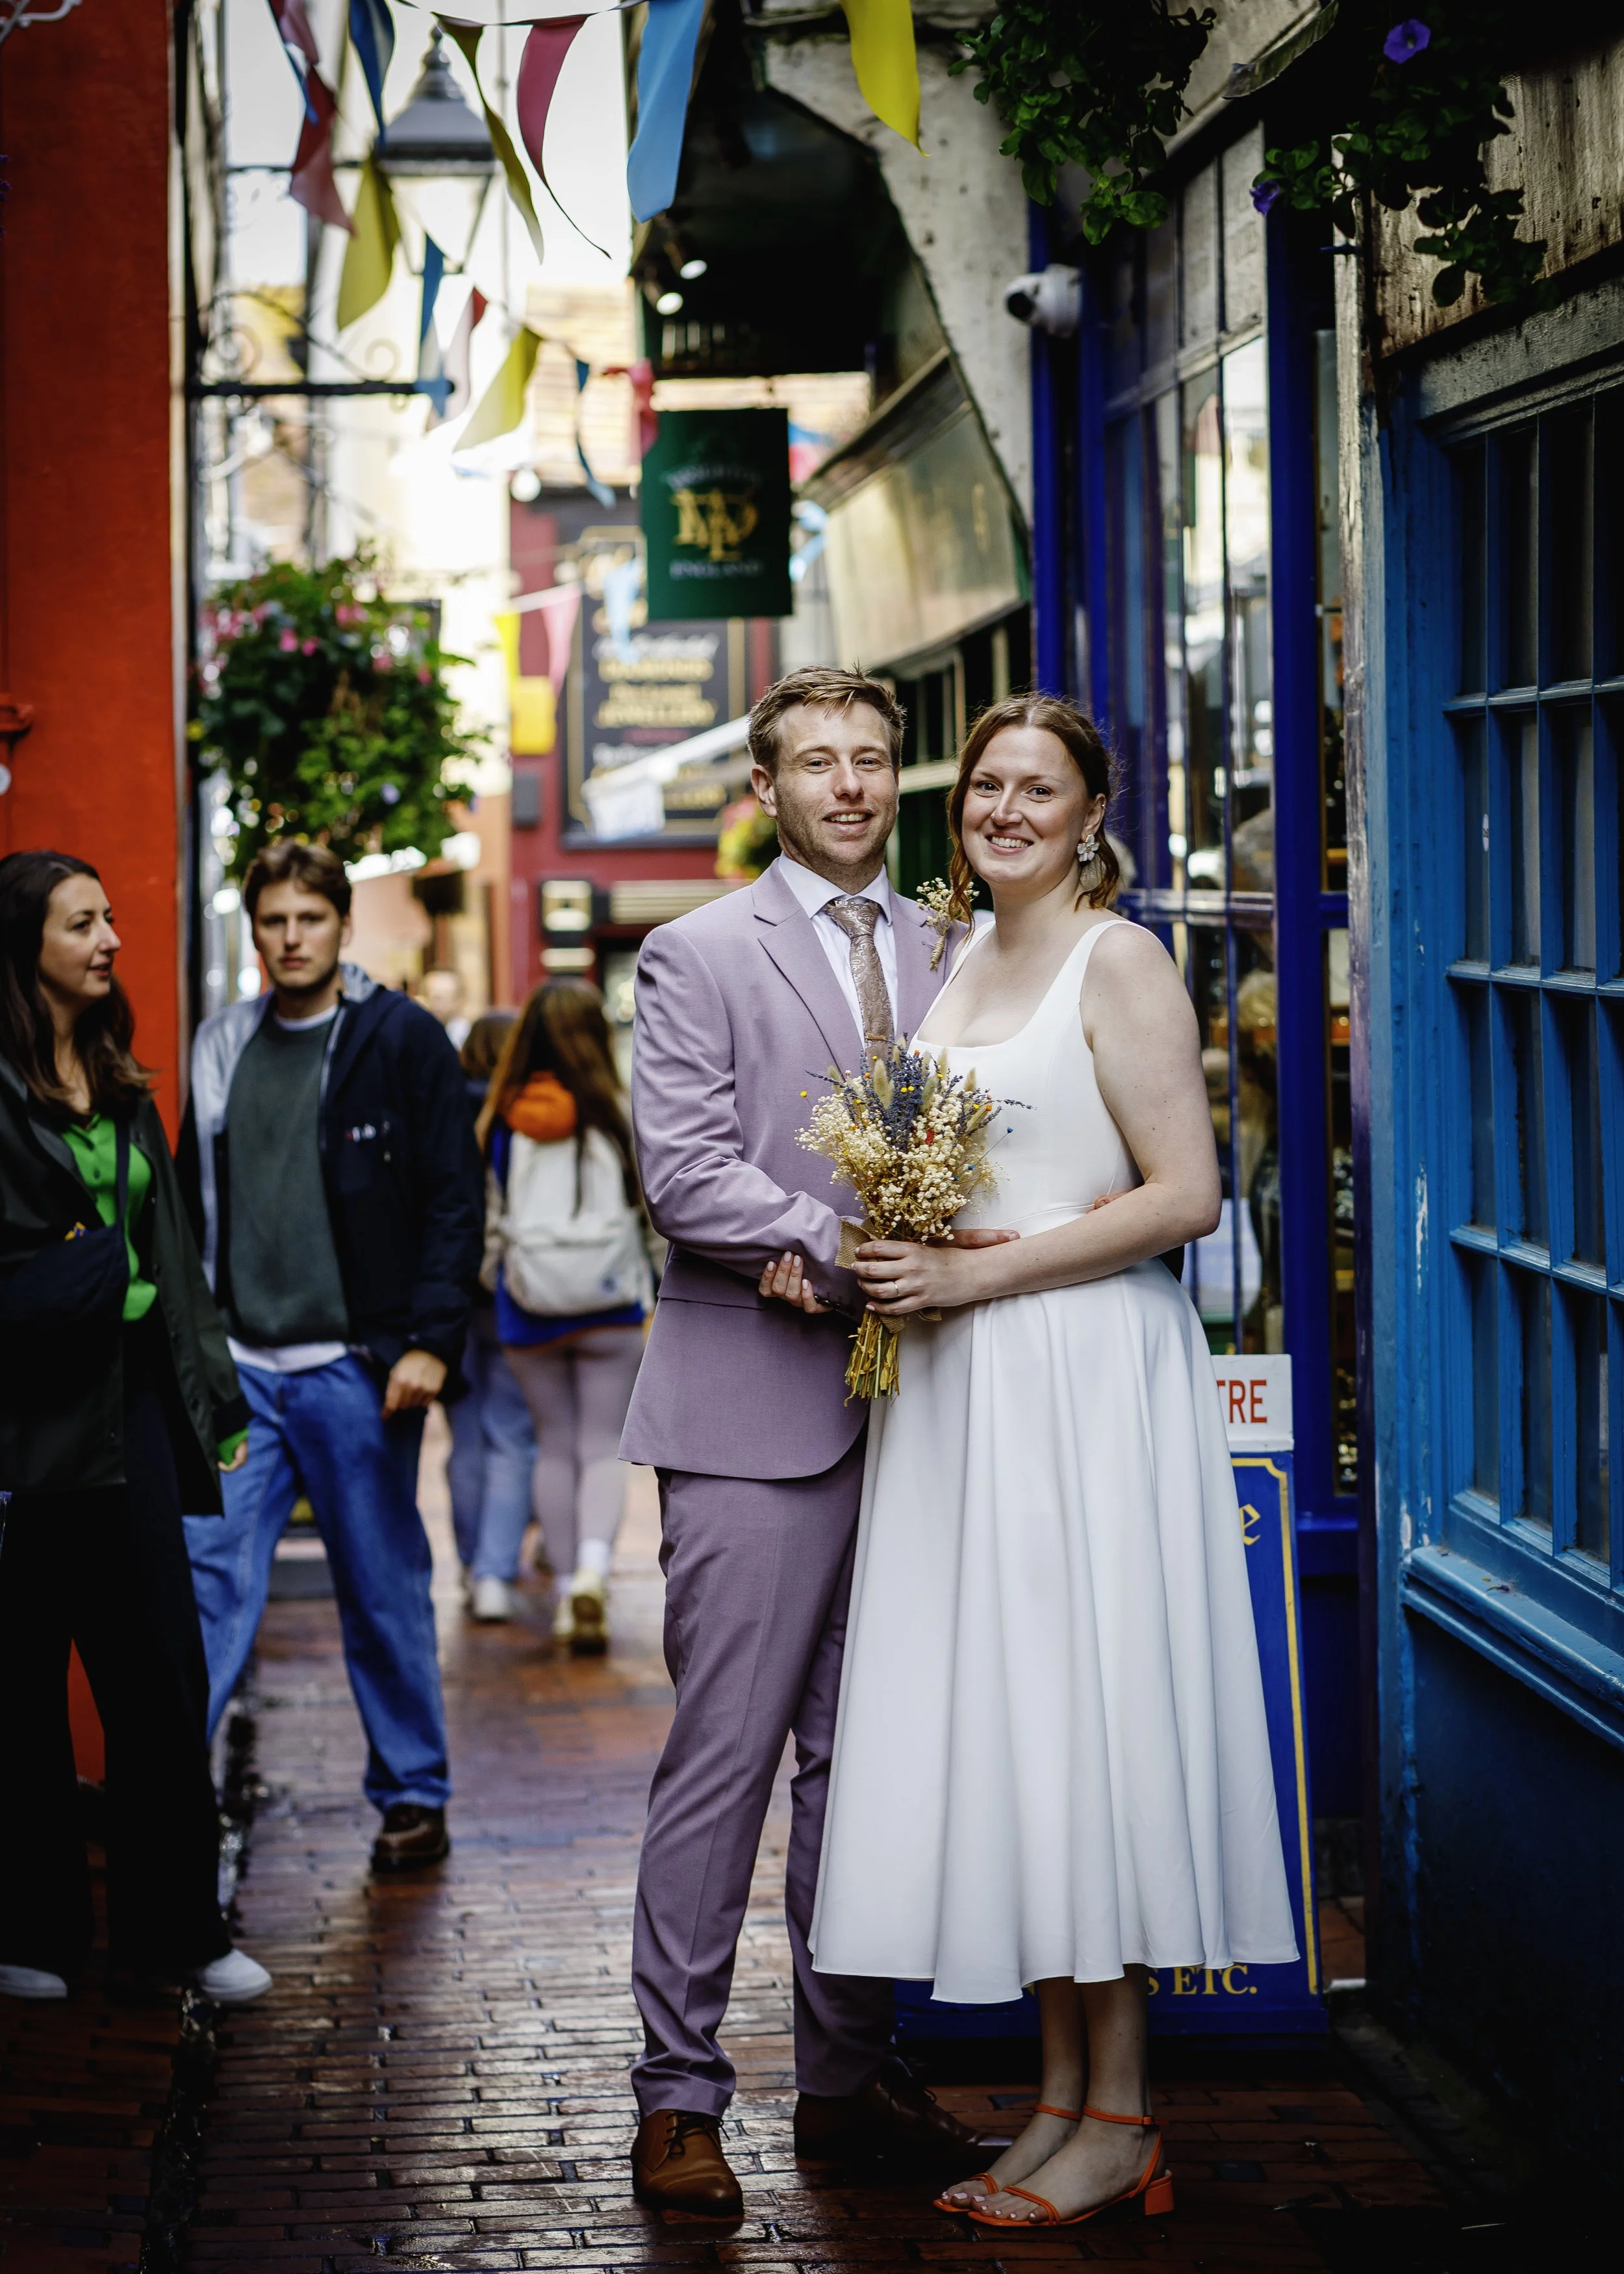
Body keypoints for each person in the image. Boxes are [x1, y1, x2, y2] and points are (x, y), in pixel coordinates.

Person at [806, 695, 1298, 2232]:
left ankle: (1124, 2113)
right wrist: (896, 1241)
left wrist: (974, 1276)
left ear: (1093, 814)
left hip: (1081, 1389)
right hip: (966, 1404)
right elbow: (977, 1168)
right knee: (1019, 1738)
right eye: (988, 791)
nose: (1007, 812)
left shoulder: (1120, 957)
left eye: (1040, 790)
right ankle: (1065, 2104)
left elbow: (1186, 1197)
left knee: (1090, 1726)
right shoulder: (958, 960)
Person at [618, 665, 996, 2219]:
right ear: (765, 789)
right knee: (727, 1763)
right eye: (816, 763)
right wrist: (837, 1240)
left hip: (928, 1417)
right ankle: (678, 2098)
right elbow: (684, 1169)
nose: (847, 784)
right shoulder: (694, 950)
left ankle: (845, 2080)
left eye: (870, 761)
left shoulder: (959, 950)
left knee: (871, 1768)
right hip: (751, 1419)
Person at [178, 841, 483, 1875]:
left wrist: (433, 1343)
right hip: (240, 1376)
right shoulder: (221, 1044)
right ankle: (168, 1795)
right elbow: (187, 1208)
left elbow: (454, 1197)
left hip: (358, 1368)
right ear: (254, 928)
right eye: (273, 921)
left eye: (310, 918)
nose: (292, 938)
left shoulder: (398, 1040)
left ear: (342, 925)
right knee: (207, 1585)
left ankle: (411, 1792)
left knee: (380, 1584)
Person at [0, 850, 270, 2004]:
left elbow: (175, 1269)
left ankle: (179, 1933)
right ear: (28, 951)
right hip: (27, 1426)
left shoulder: (124, 1081)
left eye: (110, 918)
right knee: (19, 1689)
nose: (110, 940)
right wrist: (83, 1277)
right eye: (82, 924)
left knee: (162, 1678)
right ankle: (33, 1933)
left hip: (138, 1414)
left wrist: (211, 1402)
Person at [480, 981, 648, 1651]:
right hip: (610, 1298)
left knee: (552, 1444)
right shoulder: (619, 1109)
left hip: (530, 1304)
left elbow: (488, 1219)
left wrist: (499, 1271)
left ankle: (557, 1596)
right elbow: (653, 1208)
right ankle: (591, 1572)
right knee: (602, 1444)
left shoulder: (501, 1118)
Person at [444, 1010, 536, 1620]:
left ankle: (471, 1558)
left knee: (464, 1434)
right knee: (511, 1432)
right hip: (509, 1288)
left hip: (451, 1294)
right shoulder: (524, 1113)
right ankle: (495, 1574)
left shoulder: (444, 1110)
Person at [416, 965, 471, 1051]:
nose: (436, 1004)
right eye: (429, 995)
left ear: (459, 1000)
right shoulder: (414, 1035)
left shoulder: (467, 1037)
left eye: (444, 996)